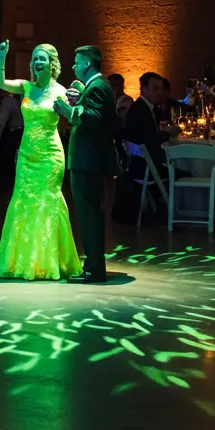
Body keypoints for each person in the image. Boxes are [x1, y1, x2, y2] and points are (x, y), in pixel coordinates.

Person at [0, 40, 81, 281]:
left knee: (46, 202)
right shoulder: (26, 88)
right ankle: (23, 261)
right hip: (26, 155)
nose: (37, 62)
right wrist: (2, 57)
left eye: (42, 58)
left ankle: (49, 261)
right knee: (23, 201)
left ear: (52, 64)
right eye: (35, 59)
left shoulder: (60, 91)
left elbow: (74, 118)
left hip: (50, 155)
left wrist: (78, 98)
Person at [55, 45, 118, 284]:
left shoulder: (98, 87)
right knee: (89, 214)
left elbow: (94, 119)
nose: (73, 66)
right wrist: (78, 100)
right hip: (88, 161)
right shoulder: (96, 87)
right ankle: (92, 265)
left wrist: (67, 109)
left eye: (76, 61)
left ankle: (94, 269)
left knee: (89, 215)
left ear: (87, 64)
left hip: (88, 161)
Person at [124, 71, 168, 175]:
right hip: (146, 169)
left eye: (160, 89)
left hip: (143, 166)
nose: (159, 93)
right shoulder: (140, 111)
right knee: (190, 173)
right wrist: (168, 133)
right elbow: (150, 141)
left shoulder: (144, 107)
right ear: (144, 89)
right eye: (155, 88)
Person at [0, 90, 24, 192]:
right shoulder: (14, 101)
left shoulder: (7, 101)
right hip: (20, 133)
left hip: (14, 133)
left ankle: (4, 183)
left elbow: (1, 122)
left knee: (2, 149)